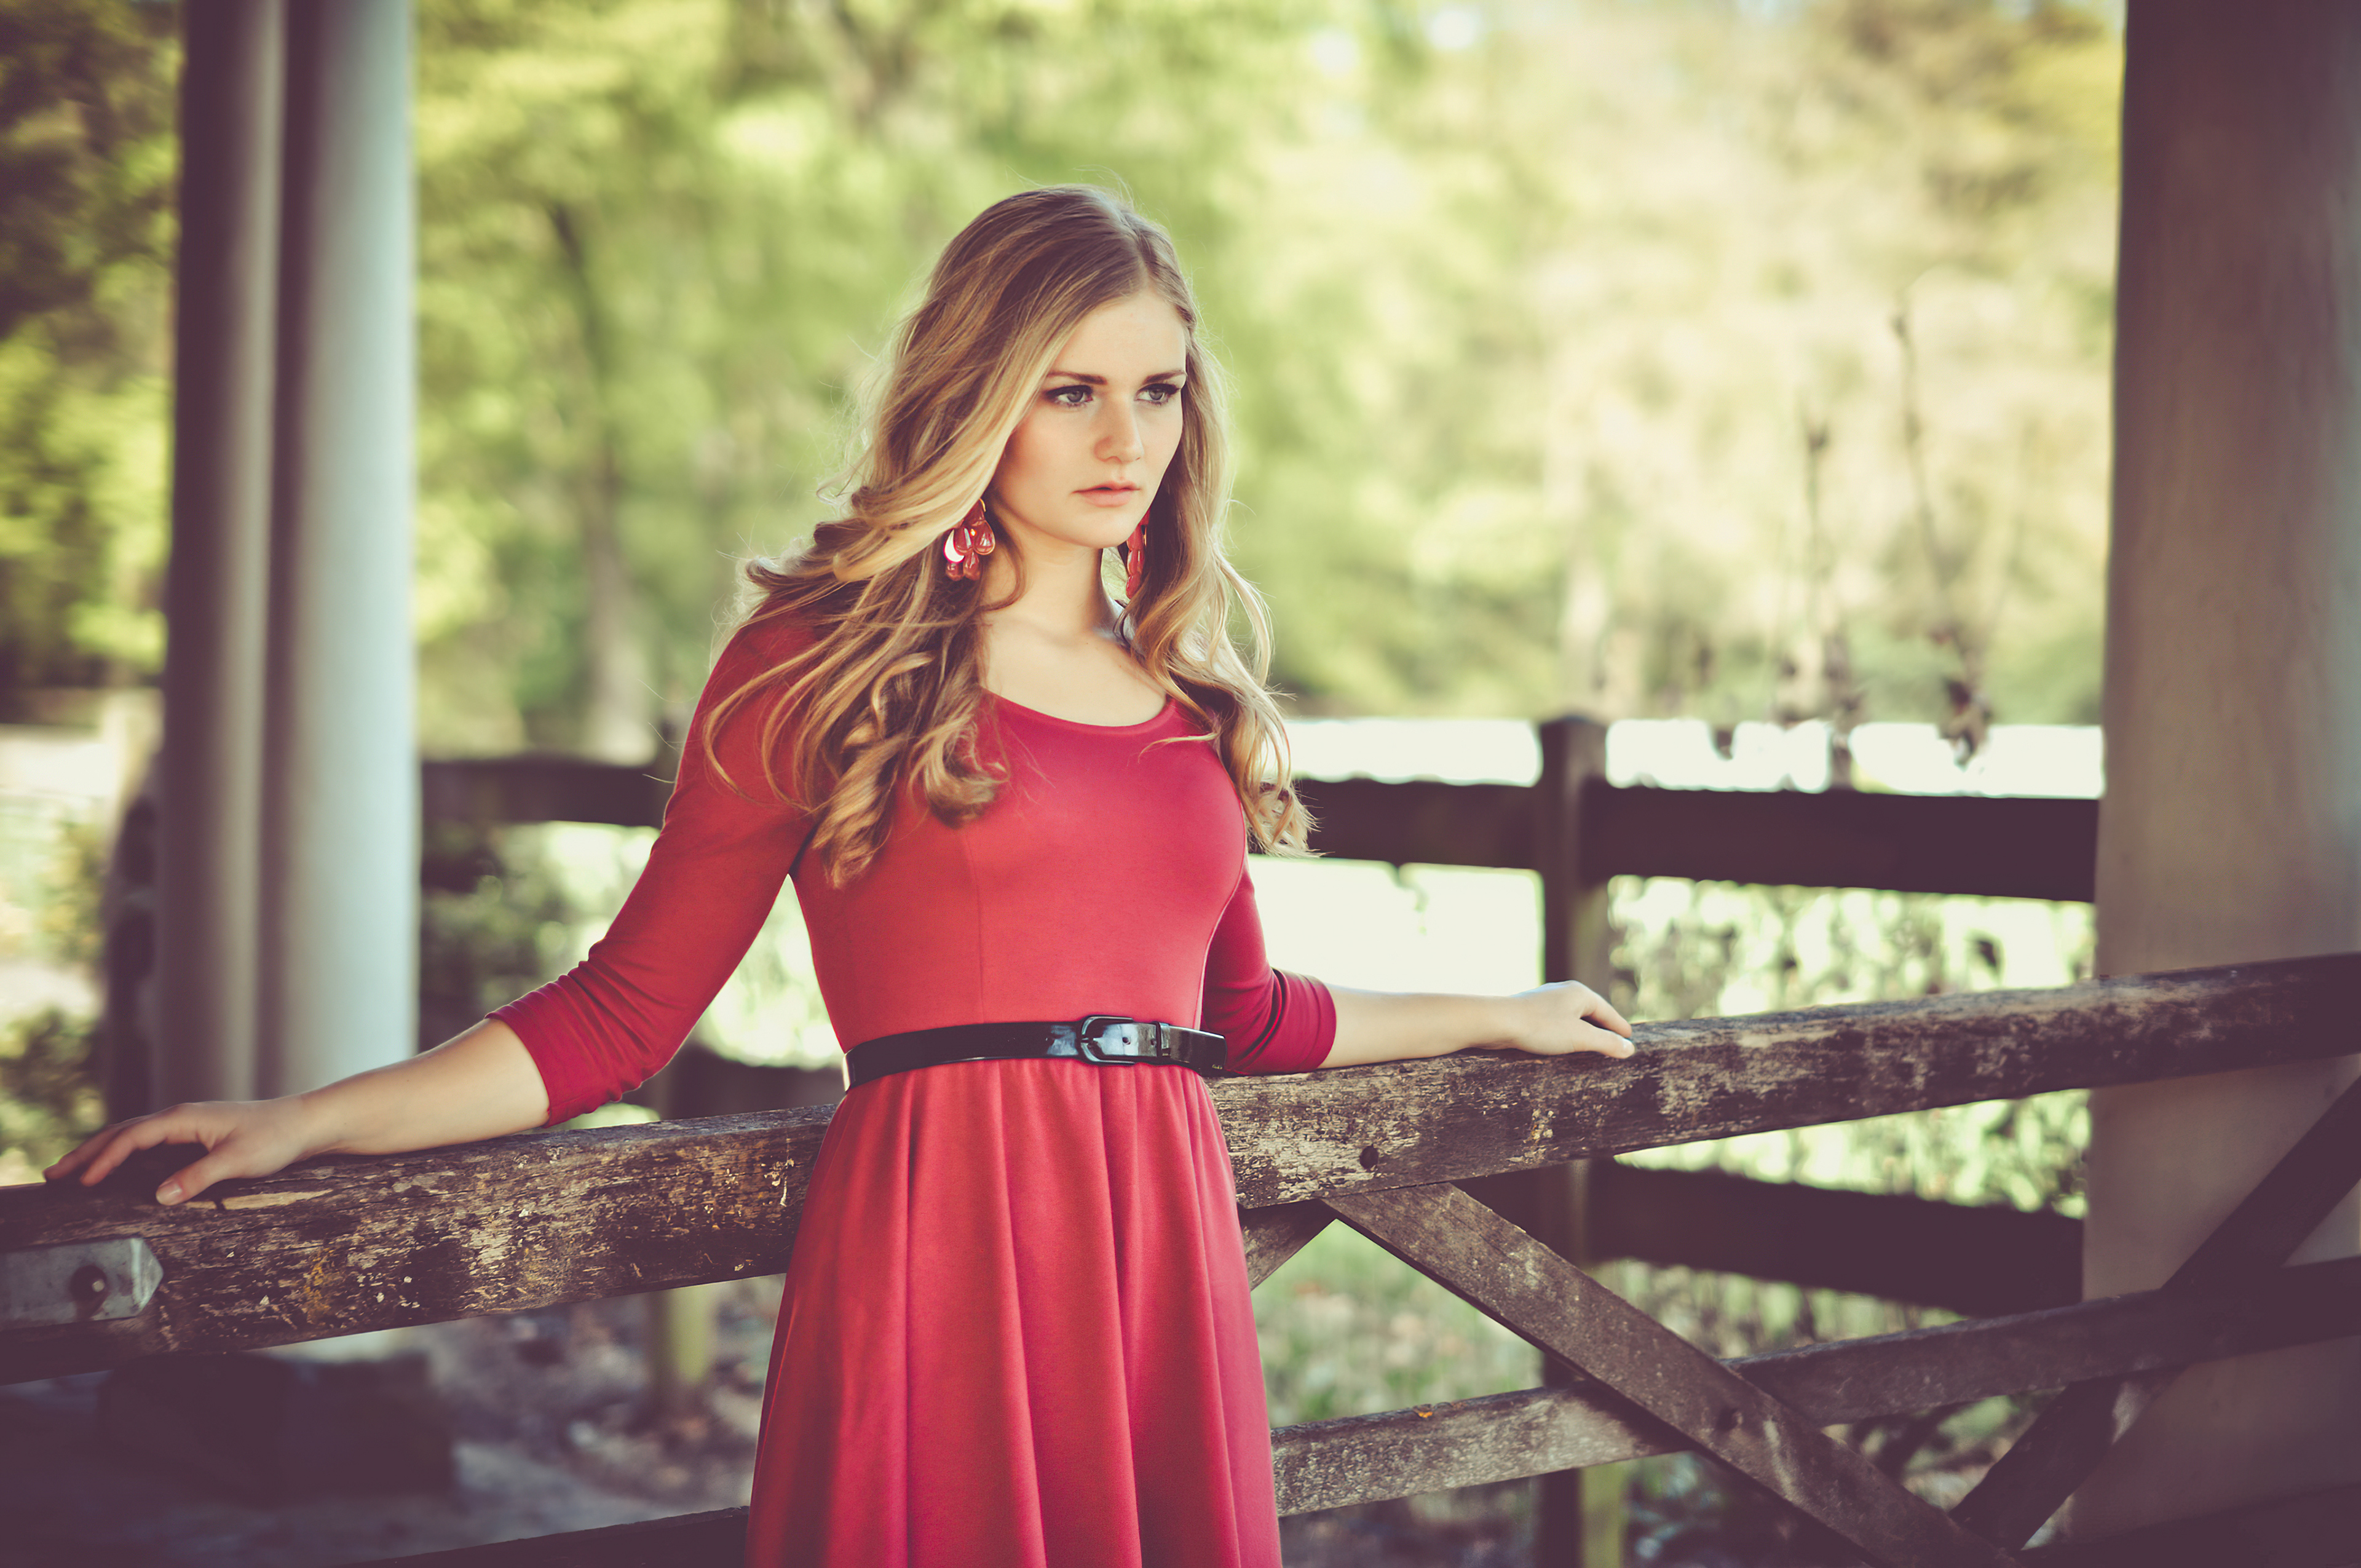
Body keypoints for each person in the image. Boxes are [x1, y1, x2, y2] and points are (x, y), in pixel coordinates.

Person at [47, 184, 1634, 1568]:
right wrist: (306, 1120)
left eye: (1155, 391)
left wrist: (1496, 1014)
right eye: (1068, 392)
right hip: (935, 1244)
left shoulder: (1188, 703)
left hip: (1158, 1266)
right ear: (976, 399)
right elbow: (619, 1015)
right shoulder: (819, 664)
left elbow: (1245, 1013)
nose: (1122, 440)